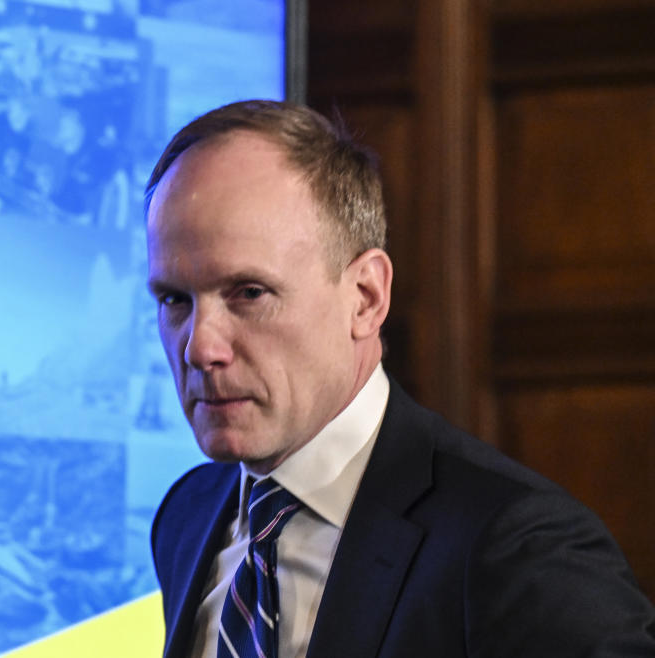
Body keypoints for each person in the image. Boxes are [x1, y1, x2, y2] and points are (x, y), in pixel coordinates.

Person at [145, 99, 655, 658]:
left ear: (366, 298)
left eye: (249, 293)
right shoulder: (187, 515)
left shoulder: (517, 548)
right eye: (174, 299)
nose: (200, 347)